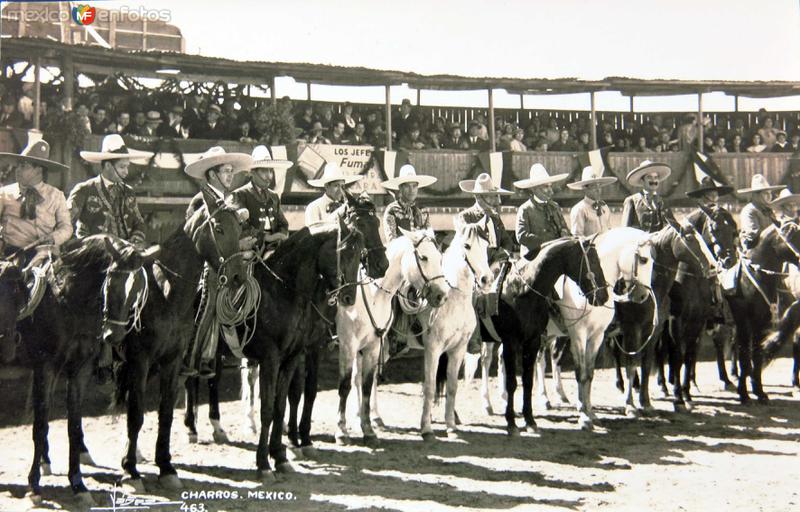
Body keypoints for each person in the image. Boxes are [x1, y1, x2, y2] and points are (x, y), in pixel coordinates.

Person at [182, 146, 253, 378]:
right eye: (225, 171)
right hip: (205, 262)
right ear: (212, 174)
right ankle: (193, 356)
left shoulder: (226, 199)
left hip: (226, 259)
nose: (231, 175)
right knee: (209, 300)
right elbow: (194, 233)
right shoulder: (201, 199)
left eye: (232, 171)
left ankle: (222, 352)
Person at [456, 173, 514, 372]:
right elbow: (468, 246)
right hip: (476, 268)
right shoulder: (466, 217)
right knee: (474, 296)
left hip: (497, 266)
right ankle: (474, 339)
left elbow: (507, 241)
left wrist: (502, 253)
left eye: (495, 197)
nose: (496, 201)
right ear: (479, 198)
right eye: (492, 197)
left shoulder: (496, 218)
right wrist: (492, 255)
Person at [70, 134, 152, 247]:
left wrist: (134, 241)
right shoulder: (84, 190)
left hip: (123, 256)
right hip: (93, 256)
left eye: (127, 167)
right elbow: (66, 223)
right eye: (122, 167)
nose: (126, 172)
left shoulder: (128, 192)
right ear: (108, 165)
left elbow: (139, 223)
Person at [0, 140, 72, 268]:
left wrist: (53, 238)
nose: (18, 170)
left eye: (24, 166)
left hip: (45, 256)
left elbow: (66, 228)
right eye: (18, 166)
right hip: (12, 256)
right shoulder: (4, 194)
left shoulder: (56, 196)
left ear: (38, 170)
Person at [230, 145, 291, 254]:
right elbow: (240, 226)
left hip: (275, 247)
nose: (269, 176)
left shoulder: (274, 196)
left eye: (271, 171)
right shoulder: (240, 194)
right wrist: (266, 237)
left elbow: (283, 224)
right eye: (264, 171)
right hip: (253, 248)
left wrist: (280, 236)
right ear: (253, 172)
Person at [514, 163, 570, 260]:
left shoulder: (555, 207)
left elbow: (564, 228)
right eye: (546, 187)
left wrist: (564, 232)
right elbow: (522, 236)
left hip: (556, 256)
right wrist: (550, 240)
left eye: (550, 186)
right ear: (534, 189)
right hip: (533, 259)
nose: (550, 191)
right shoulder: (525, 209)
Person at [380, 164, 436, 241]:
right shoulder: (393, 210)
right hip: (402, 251)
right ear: (400, 188)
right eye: (407, 186)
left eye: (414, 186)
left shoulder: (423, 210)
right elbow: (392, 241)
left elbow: (429, 235)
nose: (411, 190)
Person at [738, 174, 785, 254]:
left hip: (772, 249)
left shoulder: (769, 209)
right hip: (755, 252)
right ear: (755, 195)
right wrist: (775, 229)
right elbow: (753, 236)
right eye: (766, 193)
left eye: (770, 193)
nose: (769, 196)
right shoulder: (749, 210)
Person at [620, 160, 671, 233]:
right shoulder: (632, 201)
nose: (653, 180)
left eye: (656, 177)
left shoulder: (663, 201)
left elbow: (672, 227)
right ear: (642, 181)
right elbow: (624, 229)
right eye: (649, 177)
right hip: (638, 242)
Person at [305, 162, 362, 227]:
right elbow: (313, 232)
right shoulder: (313, 207)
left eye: (342, 186)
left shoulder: (347, 208)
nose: (340, 190)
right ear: (326, 186)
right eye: (336, 186)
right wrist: (340, 212)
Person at [567, 166, 618, 237]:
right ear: (585, 189)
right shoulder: (580, 209)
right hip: (589, 247)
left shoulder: (604, 206)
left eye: (599, 186)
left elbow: (608, 229)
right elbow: (577, 237)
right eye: (593, 186)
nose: (598, 189)